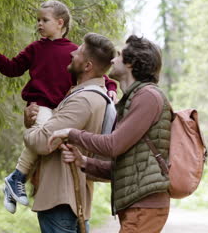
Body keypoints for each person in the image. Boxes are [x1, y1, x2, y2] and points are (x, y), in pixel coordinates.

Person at [0, 0, 117, 214]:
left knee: (52, 145)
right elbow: (13, 68)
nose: (39, 24)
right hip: (40, 105)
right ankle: (18, 177)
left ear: (60, 23)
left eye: (44, 20)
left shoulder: (75, 53)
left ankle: (15, 180)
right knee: (46, 137)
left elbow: (99, 73)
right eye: (38, 20)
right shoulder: (35, 49)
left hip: (62, 107)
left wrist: (110, 87)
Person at [49, 35, 172, 233]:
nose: (112, 60)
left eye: (119, 55)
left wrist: (71, 133)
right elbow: (126, 167)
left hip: (144, 206)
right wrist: (85, 163)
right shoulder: (135, 98)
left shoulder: (147, 97)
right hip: (137, 205)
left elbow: (114, 145)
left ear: (131, 63)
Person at [23, 32, 116, 232]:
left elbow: (41, 142)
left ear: (87, 66)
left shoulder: (83, 100)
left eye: (80, 51)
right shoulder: (94, 95)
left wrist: (31, 129)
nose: (73, 53)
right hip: (72, 198)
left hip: (61, 199)